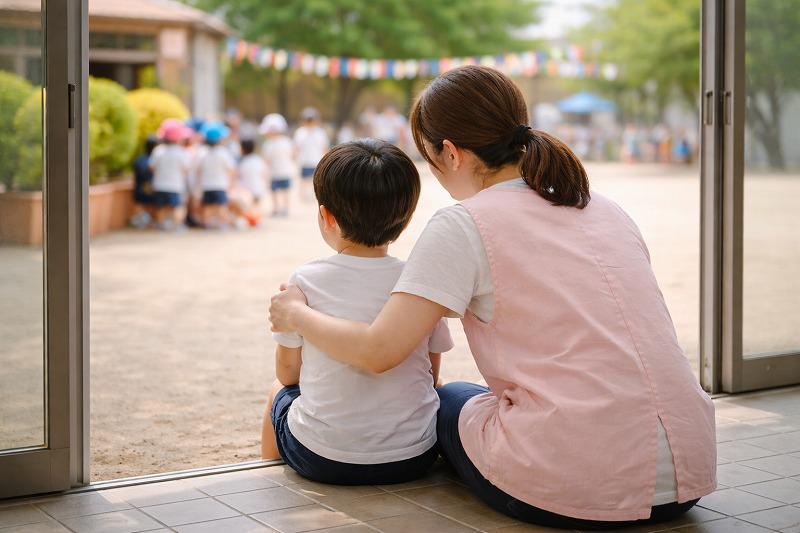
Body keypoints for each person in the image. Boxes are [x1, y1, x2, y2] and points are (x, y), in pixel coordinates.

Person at [269, 66, 717, 529]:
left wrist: (295, 314)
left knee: (450, 398)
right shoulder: (604, 207)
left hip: (580, 481)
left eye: (429, 158)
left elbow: (379, 351)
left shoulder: (464, 223)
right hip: (689, 467)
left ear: (450, 152)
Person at [262, 138, 454, 486]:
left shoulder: (304, 282)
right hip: (414, 456)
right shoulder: (417, 279)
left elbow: (288, 374)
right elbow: (432, 371)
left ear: (326, 216)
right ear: (406, 220)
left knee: (279, 389)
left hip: (322, 458)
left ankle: (265, 476)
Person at [149, 119, 191, 231]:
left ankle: (161, 224)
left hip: (159, 184)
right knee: (177, 206)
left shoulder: (158, 150)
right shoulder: (181, 151)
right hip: (175, 185)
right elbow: (186, 169)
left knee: (160, 206)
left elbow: (152, 167)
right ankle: (177, 225)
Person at [196, 121, 235, 229]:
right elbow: (231, 169)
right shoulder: (223, 152)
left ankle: (208, 223)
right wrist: (231, 183)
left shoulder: (202, 152)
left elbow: (198, 170)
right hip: (220, 184)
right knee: (221, 206)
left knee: (208, 206)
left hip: (206, 185)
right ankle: (223, 224)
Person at [259, 113, 296, 217]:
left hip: (275, 171)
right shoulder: (287, 141)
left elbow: (266, 159)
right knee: (284, 190)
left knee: (275, 191)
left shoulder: (268, 144)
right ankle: (285, 208)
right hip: (285, 170)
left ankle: (277, 208)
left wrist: (265, 170)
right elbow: (293, 154)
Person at [292, 106, 330, 202]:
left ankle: (315, 196)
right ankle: (303, 197)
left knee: (316, 180)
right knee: (303, 180)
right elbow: (296, 147)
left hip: (316, 160)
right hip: (304, 160)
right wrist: (295, 158)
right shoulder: (300, 132)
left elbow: (324, 147)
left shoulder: (320, 132)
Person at [228, 138, 267, 228]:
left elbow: (236, 175)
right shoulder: (258, 159)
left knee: (248, 208)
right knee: (256, 206)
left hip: (245, 189)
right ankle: (257, 219)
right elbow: (264, 173)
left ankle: (251, 220)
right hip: (258, 187)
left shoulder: (242, 162)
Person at [129, 135, 159, 228]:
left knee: (142, 203)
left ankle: (145, 221)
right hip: (146, 186)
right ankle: (145, 221)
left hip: (142, 186)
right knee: (147, 204)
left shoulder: (141, 158)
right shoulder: (153, 158)